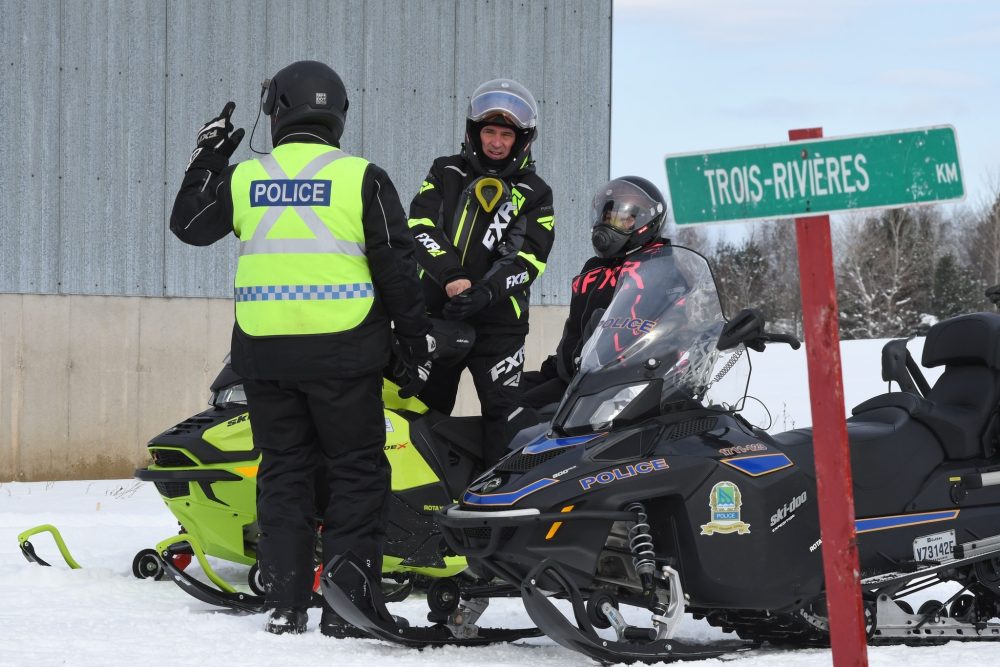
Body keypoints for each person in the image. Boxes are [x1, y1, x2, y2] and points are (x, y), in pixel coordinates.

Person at [169, 61, 433, 637]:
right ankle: (347, 608)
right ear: (339, 114)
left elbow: (189, 226)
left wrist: (207, 158)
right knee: (355, 474)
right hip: (345, 354)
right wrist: (415, 345)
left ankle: (286, 604)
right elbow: (397, 270)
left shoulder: (244, 177)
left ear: (275, 111)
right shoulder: (362, 178)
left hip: (265, 357)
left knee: (284, 473)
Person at [407, 78, 555, 466]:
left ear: (522, 140)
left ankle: (497, 500)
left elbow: (529, 259)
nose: (496, 142)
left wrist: (485, 292)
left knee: (504, 422)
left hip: (500, 328)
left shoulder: (537, 192)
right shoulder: (445, 171)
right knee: (421, 413)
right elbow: (420, 227)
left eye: (506, 134)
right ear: (475, 132)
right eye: (489, 132)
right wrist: (451, 278)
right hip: (439, 316)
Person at [514, 176, 668, 414]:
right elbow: (578, 327)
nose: (610, 224)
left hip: (617, 382)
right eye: (607, 217)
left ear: (645, 222)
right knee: (503, 395)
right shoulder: (593, 269)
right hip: (572, 375)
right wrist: (559, 362)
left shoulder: (658, 266)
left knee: (519, 415)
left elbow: (680, 321)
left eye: (623, 218)